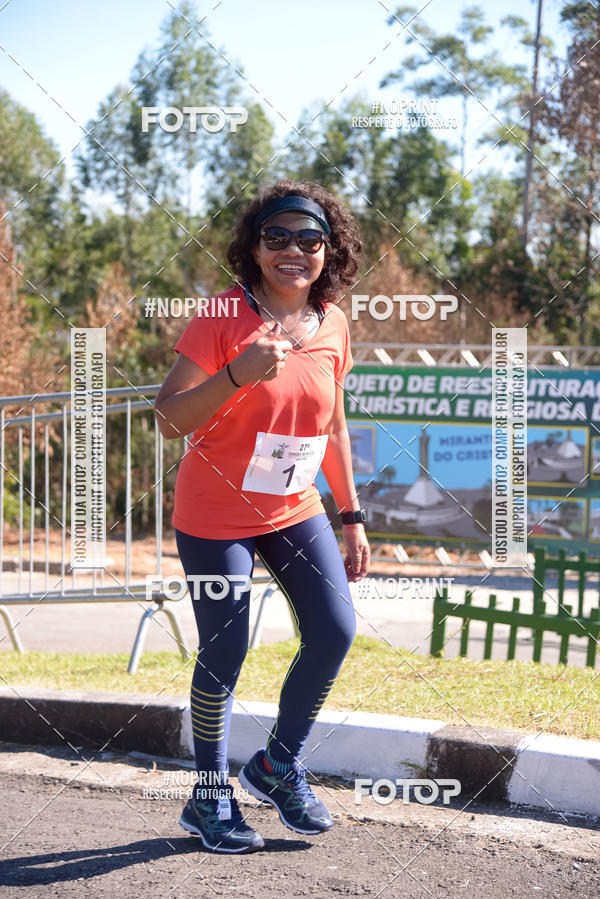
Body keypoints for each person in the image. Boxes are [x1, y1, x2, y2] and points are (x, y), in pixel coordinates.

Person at [154, 179, 370, 853]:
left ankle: (277, 763)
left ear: (327, 251)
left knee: (335, 628)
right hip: (216, 512)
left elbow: (333, 424)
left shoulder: (332, 321)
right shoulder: (222, 315)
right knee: (227, 647)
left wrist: (352, 514)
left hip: (295, 506)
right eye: (277, 236)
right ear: (255, 247)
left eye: (309, 239)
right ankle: (209, 797)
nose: (293, 250)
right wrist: (238, 373)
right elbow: (167, 418)